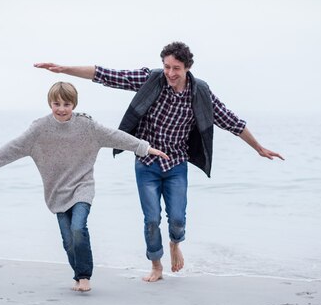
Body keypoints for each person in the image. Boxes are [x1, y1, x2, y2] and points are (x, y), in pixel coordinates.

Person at [34, 42, 284, 283]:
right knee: (151, 218)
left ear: (187, 67)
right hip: (147, 162)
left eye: (176, 68)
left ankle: (175, 243)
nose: (170, 73)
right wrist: (64, 69)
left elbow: (231, 121)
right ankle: (156, 264)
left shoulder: (201, 93)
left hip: (176, 164)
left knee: (176, 218)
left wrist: (258, 147)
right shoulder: (151, 80)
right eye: (167, 67)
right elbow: (107, 75)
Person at [0, 81, 169, 292]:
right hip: (57, 191)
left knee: (78, 228)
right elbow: (14, 147)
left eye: (66, 104)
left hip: (83, 186)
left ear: (74, 104)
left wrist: (145, 148)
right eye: (56, 104)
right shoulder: (39, 129)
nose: (61, 109)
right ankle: (77, 275)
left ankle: (84, 277)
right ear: (50, 104)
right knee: (68, 240)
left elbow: (115, 136)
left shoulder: (87, 126)